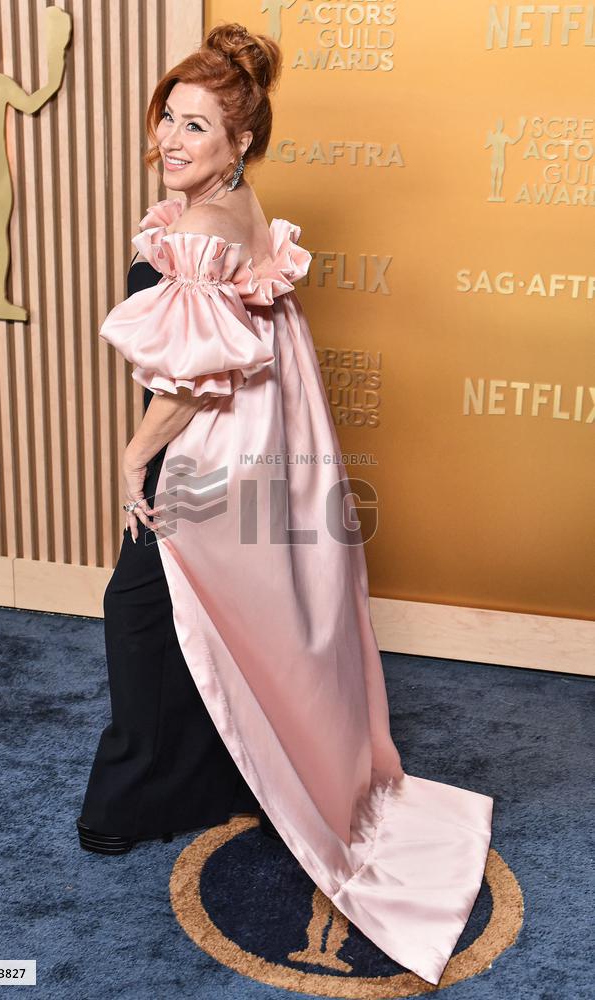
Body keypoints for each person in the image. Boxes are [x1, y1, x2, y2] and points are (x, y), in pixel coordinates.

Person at [77, 23, 494, 987]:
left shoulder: (198, 230)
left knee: (141, 610)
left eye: (197, 126)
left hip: (218, 452)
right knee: (234, 616)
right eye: (168, 117)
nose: (170, 139)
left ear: (241, 143)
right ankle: (223, 771)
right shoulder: (231, 204)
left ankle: (135, 798)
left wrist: (135, 456)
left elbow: (192, 378)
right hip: (271, 440)